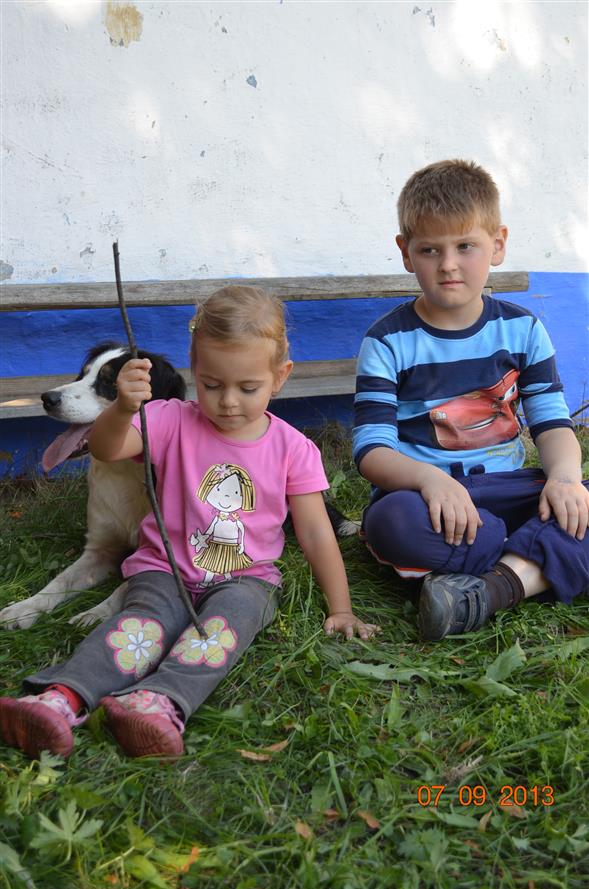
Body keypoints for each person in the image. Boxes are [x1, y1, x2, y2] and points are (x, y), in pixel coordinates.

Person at [0, 285, 378, 759]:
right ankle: (61, 697)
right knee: (139, 627)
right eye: (212, 385)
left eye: (247, 388)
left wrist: (340, 608)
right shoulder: (169, 419)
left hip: (246, 581)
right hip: (164, 571)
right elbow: (108, 449)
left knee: (219, 634)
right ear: (194, 370)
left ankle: (158, 702)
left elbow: (317, 532)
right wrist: (121, 409)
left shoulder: (293, 448)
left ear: (280, 377)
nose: (228, 401)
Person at [353, 159, 589, 642]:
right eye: (429, 249)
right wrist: (430, 480)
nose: (448, 264)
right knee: (391, 523)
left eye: (465, 246)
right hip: (424, 498)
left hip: (508, 488)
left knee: (577, 499)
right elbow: (371, 450)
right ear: (405, 252)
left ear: (497, 244)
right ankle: (533, 561)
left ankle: (491, 587)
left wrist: (564, 479)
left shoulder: (522, 329)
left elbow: (551, 423)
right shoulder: (387, 342)